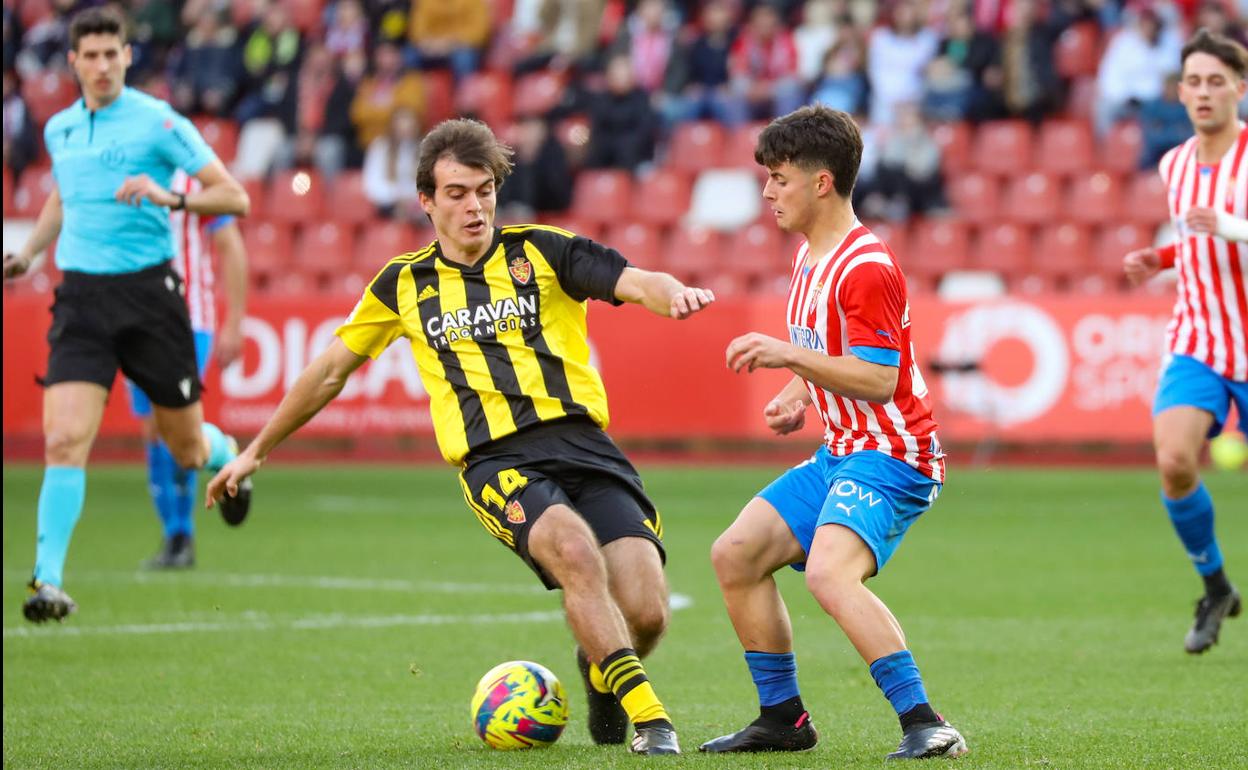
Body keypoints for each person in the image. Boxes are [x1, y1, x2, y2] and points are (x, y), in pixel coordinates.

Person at [206, 118, 715, 755]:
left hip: (584, 443)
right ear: (426, 199)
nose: (474, 207)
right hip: (495, 460)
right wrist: (254, 451)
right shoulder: (402, 284)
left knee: (647, 610)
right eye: (456, 193)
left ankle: (599, 670)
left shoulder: (543, 251)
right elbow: (330, 371)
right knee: (573, 553)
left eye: (483, 190)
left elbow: (635, 279)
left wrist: (672, 295)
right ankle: (653, 721)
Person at [698, 105, 967, 760]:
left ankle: (926, 722)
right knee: (735, 554)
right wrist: (798, 394)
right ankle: (782, 719)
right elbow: (825, 350)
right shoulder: (810, 257)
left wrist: (789, 360)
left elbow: (877, 378)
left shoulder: (863, 267)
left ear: (822, 183)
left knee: (828, 576)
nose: (767, 192)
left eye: (779, 179)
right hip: (842, 452)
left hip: (895, 454)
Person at [1, 7, 252, 623]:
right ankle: (47, 581)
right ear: (74, 62)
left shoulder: (158, 122)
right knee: (63, 440)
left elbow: (235, 196)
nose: (103, 65)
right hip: (81, 299)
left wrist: (171, 195)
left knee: (186, 447)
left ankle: (229, 456)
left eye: (113, 53)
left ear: (127, 56)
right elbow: (65, 192)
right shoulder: (60, 129)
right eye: (91, 55)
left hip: (149, 299)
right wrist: (31, 252)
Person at [1122, 28, 1247, 655]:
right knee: (1173, 462)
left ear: (1239, 89)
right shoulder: (1173, 164)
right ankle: (1216, 585)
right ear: (1180, 91)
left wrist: (1231, 226)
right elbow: (1199, 238)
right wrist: (1162, 257)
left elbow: (1222, 229)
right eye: (1194, 81)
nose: (1204, 92)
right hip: (1199, 336)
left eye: (1216, 81)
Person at [129, 169, 249, 570]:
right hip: (132, 319)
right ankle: (174, 533)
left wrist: (234, 321)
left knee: (172, 425)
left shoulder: (193, 179)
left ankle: (181, 535)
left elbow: (230, 245)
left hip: (187, 318)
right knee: (151, 428)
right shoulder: (124, 174)